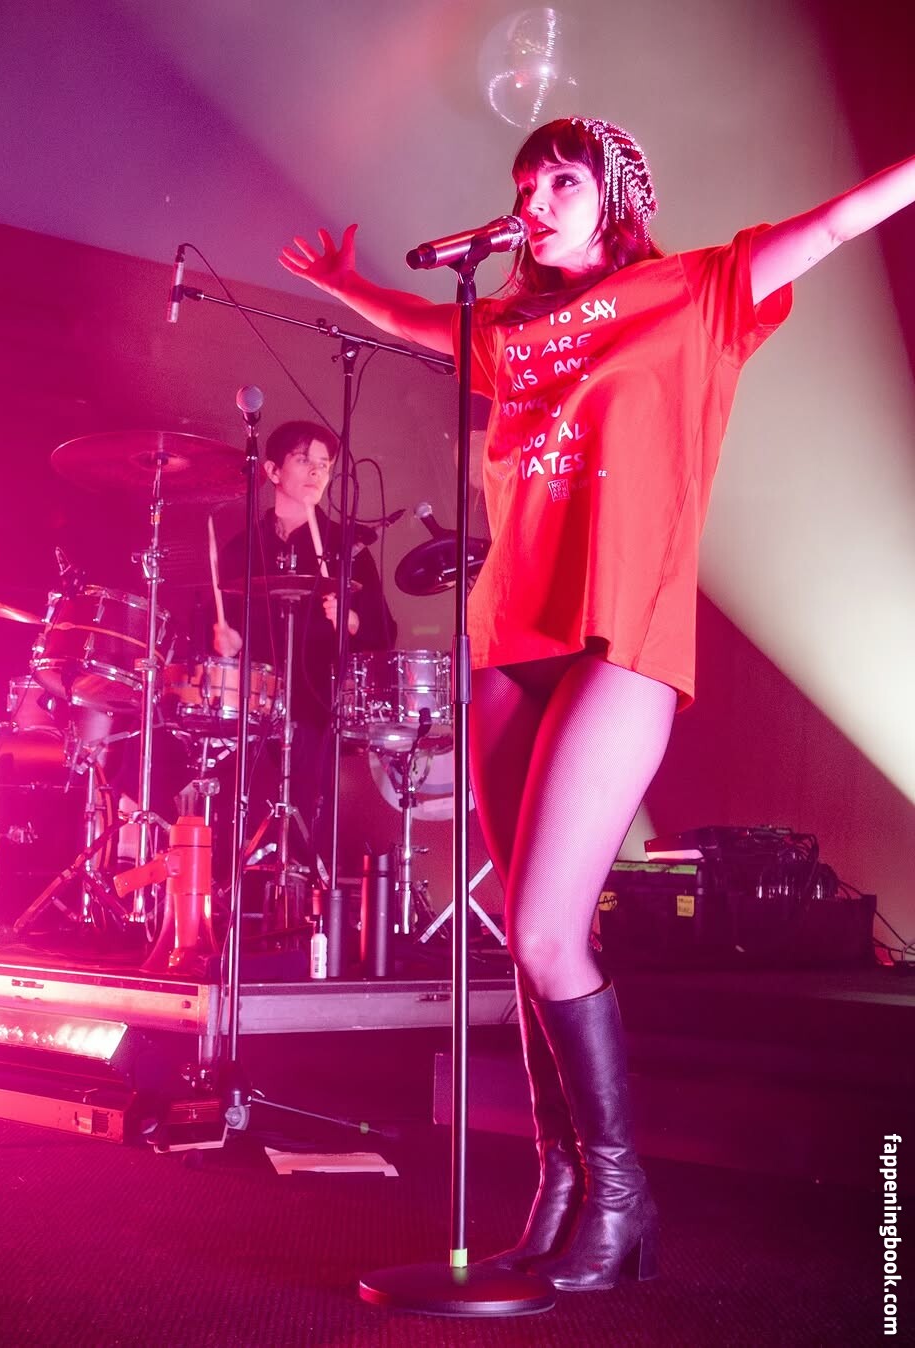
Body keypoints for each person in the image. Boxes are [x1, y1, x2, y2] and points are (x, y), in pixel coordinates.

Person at [280, 117, 915, 1291]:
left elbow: (830, 227)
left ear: (615, 194)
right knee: (528, 945)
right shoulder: (508, 328)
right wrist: (345, 286)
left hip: (618, 639)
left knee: (544, 932)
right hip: (505, 644)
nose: (535, 199)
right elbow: (422, 323)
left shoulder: (691, 291)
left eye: (562, 180)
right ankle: (560, 1192)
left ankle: (624, 1203)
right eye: (524, 183)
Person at [211, 420, 397, 871]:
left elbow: (384, 633)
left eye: (324, 464)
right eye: (303, 460)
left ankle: (309, 882)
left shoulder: (348, 548)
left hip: (320, 704)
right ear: (273, 471)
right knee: (230, 789)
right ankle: (237, 882)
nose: (316, 472)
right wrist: (223, 641)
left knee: (312, 797)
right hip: (252, 706)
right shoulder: (241, 549)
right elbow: (214, 631)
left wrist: (351, 621)